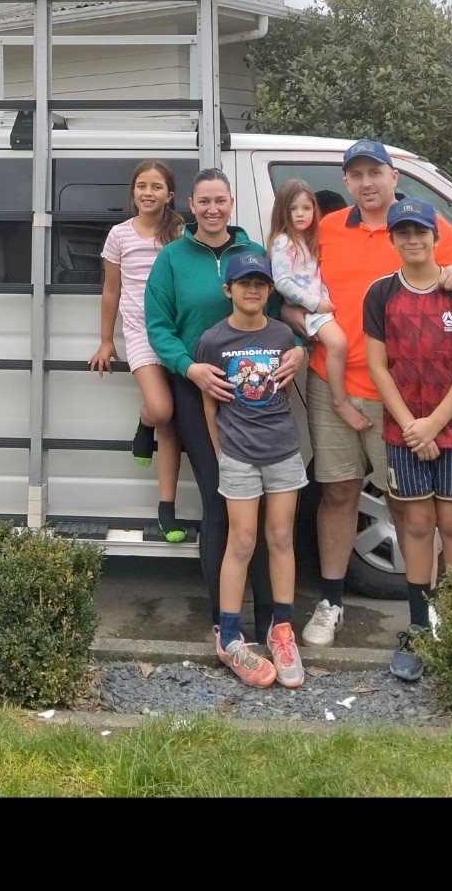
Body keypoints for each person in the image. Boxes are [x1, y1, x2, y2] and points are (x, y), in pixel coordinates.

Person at [280, 138, 452, 648]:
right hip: (333, 384)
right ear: (346, 184)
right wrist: (308, 327)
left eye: (375, 172)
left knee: (406, 504)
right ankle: (331, 601)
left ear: (394, 176)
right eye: (355, 175)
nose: (366, 183)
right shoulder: (327, 229)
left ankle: (433, 615)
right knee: (337, 492)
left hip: (403, 394)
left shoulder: (426, 227)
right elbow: (286, 292)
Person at [144, 167, 305, 643]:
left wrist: (300, 349)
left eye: (221, 201)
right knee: (221, 501)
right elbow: (157, 326)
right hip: (199, 393)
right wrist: (188, 367)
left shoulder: (253, 255)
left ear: (231, 204)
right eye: (203, 202)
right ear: (190, 207)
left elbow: (280, 316)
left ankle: (270, 623)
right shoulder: (171, 259)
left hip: (257, 399)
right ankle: (224, 621)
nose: (212, 210)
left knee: (262, 517)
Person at [364, 196, 452, 681]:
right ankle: (418, 629)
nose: (413, 239)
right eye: (403, 232)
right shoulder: (380, 294)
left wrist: (433, 424)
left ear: (436, 237)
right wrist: (412, 428)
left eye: (421, 231)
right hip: (403, 430)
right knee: (415, 526)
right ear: (392, 240)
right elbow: (378, 366)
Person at [197, 251, 308, 690]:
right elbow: (210, 402)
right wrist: (222, 452)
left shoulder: (282, 334)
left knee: (280, 537)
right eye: (244, 283)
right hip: (239, 455)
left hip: (282, 450)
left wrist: (299, 349)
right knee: (241, 540)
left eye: (261, 283)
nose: (252, 290)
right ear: (228, 290)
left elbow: (296, 368)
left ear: (269, 291)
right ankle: (228, 636)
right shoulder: (212, 340)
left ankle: (282, 630)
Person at [88, 159, 187, 542]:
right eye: (142, 185)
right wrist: (106, 340)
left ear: (170, 195)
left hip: (176, 331)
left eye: (157, 186)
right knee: (161, 410)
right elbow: (111, 290)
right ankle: (144, 423)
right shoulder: (119, 235)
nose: (148, 192)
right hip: (140, 332)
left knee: (172, 423)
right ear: (133, 192)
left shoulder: (178, 232)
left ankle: (167, 509)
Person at [267, 179, 368, 435]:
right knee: (338, 344)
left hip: (320, 305)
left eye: (306, 208)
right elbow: (282, 282)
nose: (301, 214)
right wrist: (315, 303)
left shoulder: (308, 239)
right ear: (282, 211)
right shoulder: (283, 242)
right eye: (293, 209)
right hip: (310, 309)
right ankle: (339, 401)